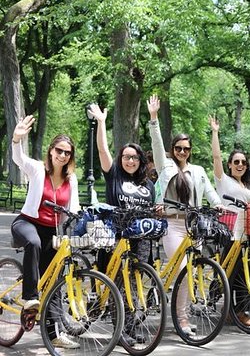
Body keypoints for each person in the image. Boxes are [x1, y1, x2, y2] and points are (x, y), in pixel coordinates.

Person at [147, 95, 222, 337]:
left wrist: (218, 204)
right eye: (178, 148)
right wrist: (154, 118)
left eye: (186, 149)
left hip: (193, 228)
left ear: (190, 151)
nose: (182, 151)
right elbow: (157, 145)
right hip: (172, 225)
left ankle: (162, 291)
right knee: (181, 270)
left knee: (191, 270)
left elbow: (209, 191)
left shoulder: (198, 171)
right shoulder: (165, 167)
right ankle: (182, 318)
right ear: (173, 150)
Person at [10, 115, 81, 349]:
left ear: (71, 157)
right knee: (34, 244)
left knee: (53, 281)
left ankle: (53, 335)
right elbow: (18, 158)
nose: (62, 155)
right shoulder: (38, 169)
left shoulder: (72, 180)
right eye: (59, 150)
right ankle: (30, 297)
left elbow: (74, 208)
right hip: (27, 223)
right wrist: (17, 139)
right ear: (51, 151)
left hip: (53, 231)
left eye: (67, 153)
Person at [88, 103, 155, 346]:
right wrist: (102, 122)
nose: (130, 161)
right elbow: (102, 149)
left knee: (135, 283)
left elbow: (149, 209)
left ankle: (131, 325)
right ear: (121, 159)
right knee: (117, 280)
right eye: (126, 157)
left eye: (135, 157)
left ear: (140, 160)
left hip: (141, 237)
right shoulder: (114, 173)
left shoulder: (147, 185)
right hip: (116, 235)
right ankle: (120, 330)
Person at [209, 116, 250, 326]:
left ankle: (234, 310)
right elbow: (215, 158)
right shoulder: (223, 181)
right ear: (230, 164)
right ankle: (235, 312)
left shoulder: (247, 187)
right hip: (228, 233)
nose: (240, 164)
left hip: (247, 235)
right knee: (232, 273)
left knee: (243, 273)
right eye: (236, 161)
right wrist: (215, 133)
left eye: (243, 162)